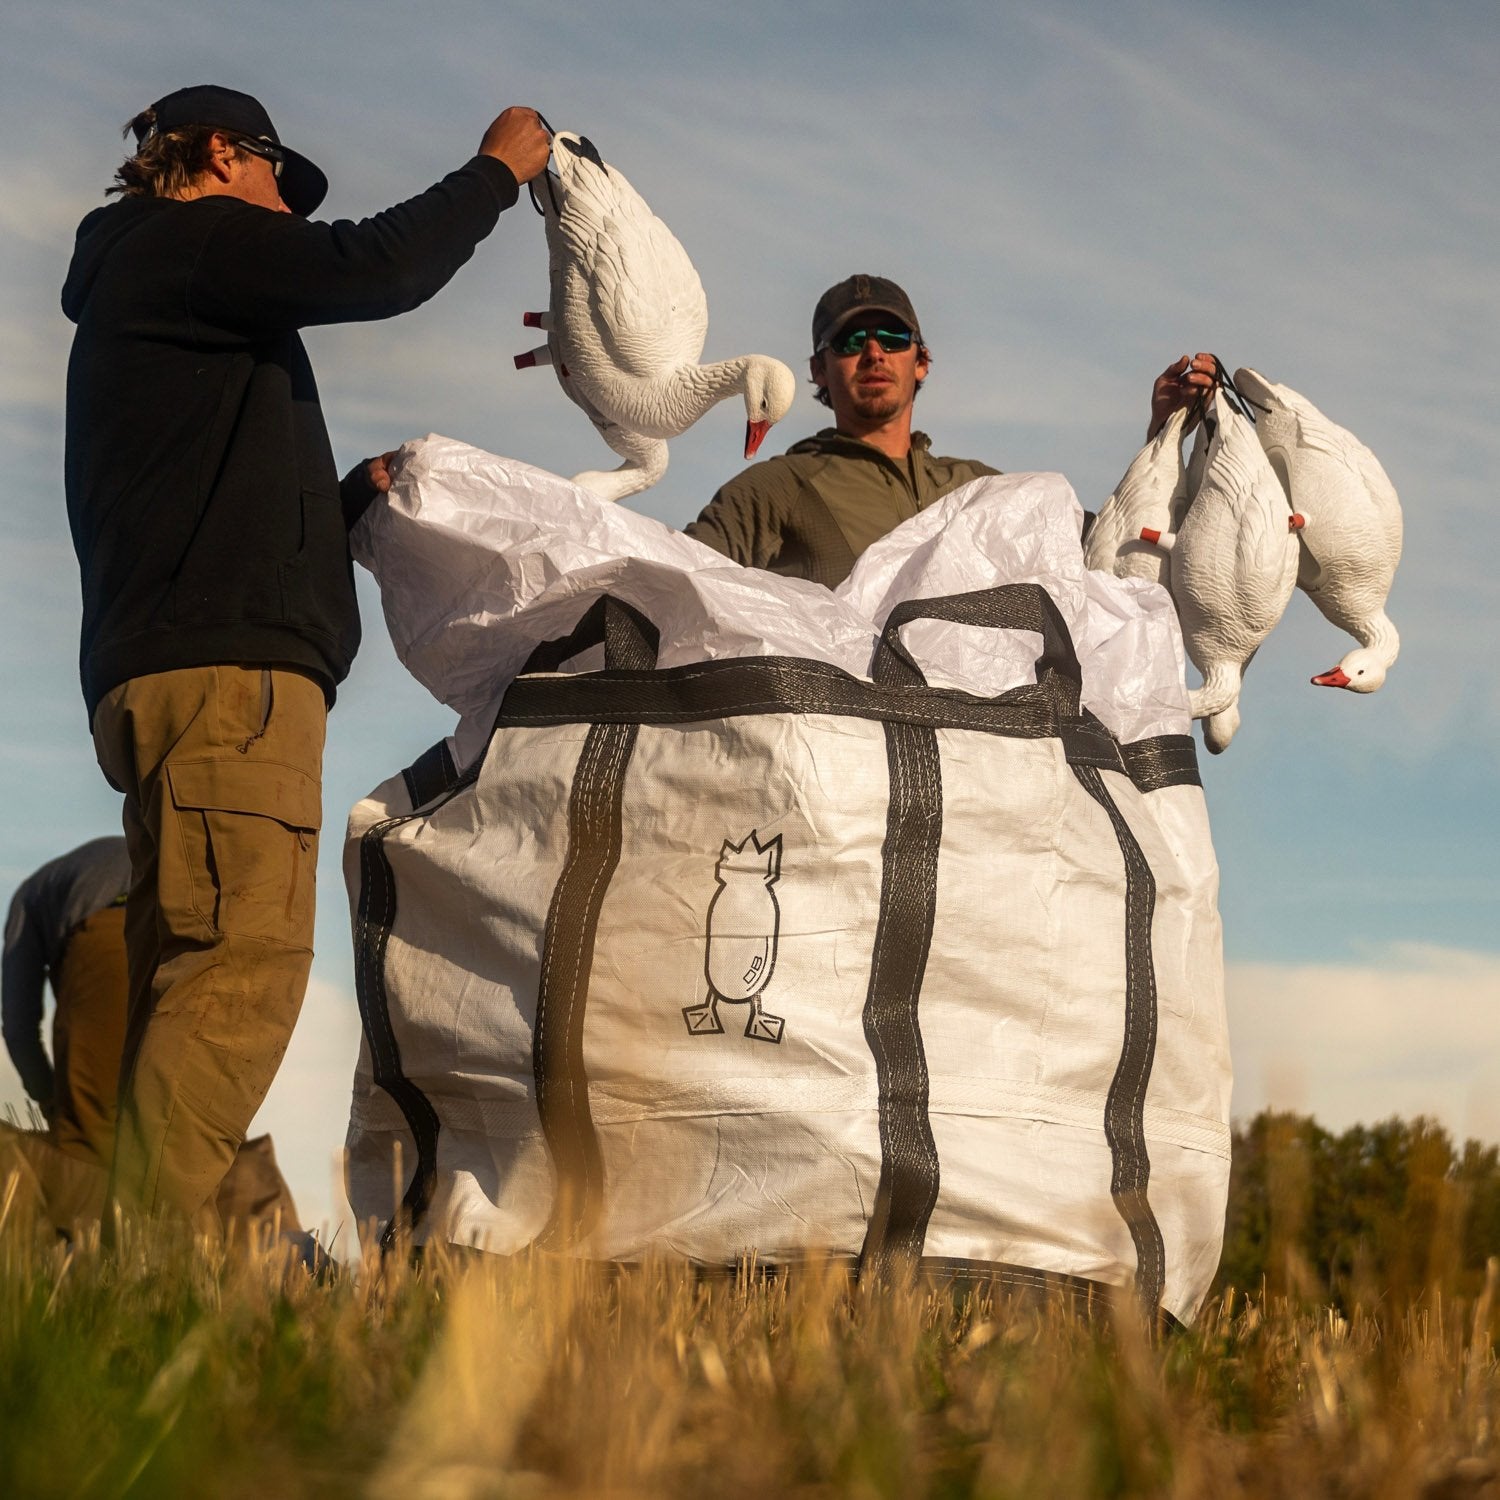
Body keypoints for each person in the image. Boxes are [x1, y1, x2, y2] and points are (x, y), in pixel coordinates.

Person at [61, 84, 551, 1228]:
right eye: (278, 181)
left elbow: (193, 518)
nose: (286, 212)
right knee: (239, 971)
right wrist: (496, 172)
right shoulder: (190, 244)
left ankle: (109, 1271)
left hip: (171, 677)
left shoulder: (146, 295)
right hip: (233, 694)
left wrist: (335, 507)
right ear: (219, 155)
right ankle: (138, 1270)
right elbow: (376, 268)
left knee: (178, 987)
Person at [2, 836, 300, 1237]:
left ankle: (97, 1257)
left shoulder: (32, 893)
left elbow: (18, 1024)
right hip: (193, 940)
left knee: (91, 1144)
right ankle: (272, 1249)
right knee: (198, 1126)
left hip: (108, 941)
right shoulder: (148, 854)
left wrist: (54, 1103)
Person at [685, 274, 999, 585]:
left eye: (893, 338)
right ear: (819, 369)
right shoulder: (774, 489)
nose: (874, 353)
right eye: (850, 341)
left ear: (922, 361)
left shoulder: (983, 489)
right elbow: (672, 583)